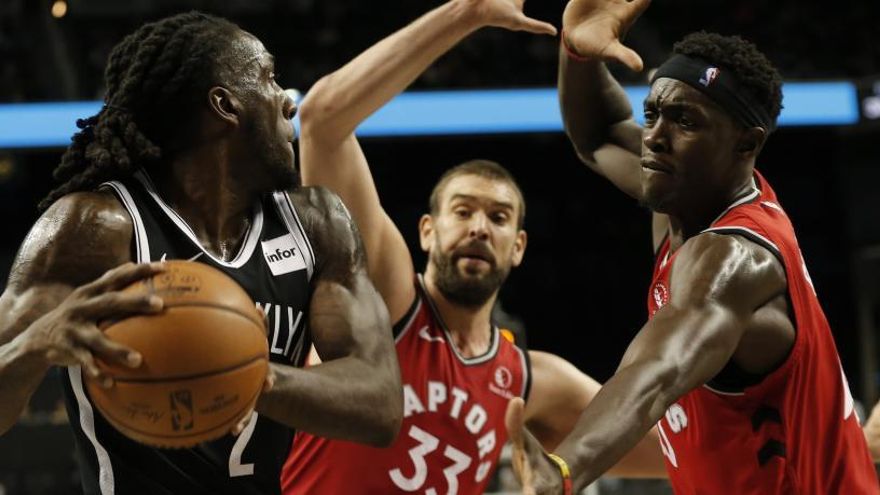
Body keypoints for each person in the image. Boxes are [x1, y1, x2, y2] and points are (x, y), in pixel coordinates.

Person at [0, 11, 403, 495]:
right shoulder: (97, 228)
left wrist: (243, 377)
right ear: (225, 105)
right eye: (269, 78)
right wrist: (36, 343)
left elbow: (380, 405)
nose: (287, 102)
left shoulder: (317, 223)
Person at [280, 1, 666, 493]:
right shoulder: (381, 303)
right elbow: (322, 119)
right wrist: (468, 12)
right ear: (426, 232)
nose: (480, 228)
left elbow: (676, 453)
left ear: (519, 246)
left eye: (499, 217)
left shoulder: (532, 381)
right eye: (462, 211)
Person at [504, 0, 880, 493]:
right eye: (653, 114)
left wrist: (566, 468)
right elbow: (595, 134)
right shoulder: (690, 190)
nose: (654, 138)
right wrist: (577, 53)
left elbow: (657, 372)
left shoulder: (734, 260)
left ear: (747, 144)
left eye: (684, 120)